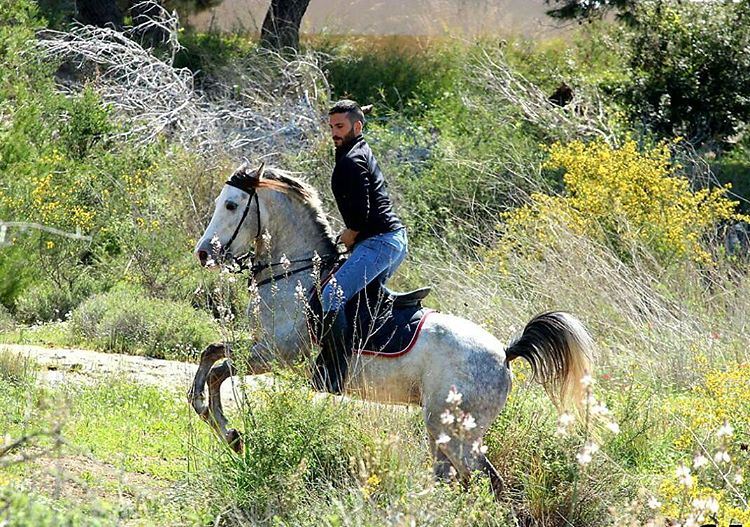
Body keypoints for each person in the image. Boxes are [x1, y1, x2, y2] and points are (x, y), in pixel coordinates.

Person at [313, 99, 408, 394]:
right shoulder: (355, 152)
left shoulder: (351, 160)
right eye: (331, 127)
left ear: (357, 125)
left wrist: (349, 234)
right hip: (390, 241)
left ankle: (334, 375)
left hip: (379, 242)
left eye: (339, 126)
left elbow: (361, 215)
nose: (334, 133)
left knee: (331, 295)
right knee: (355, 301)